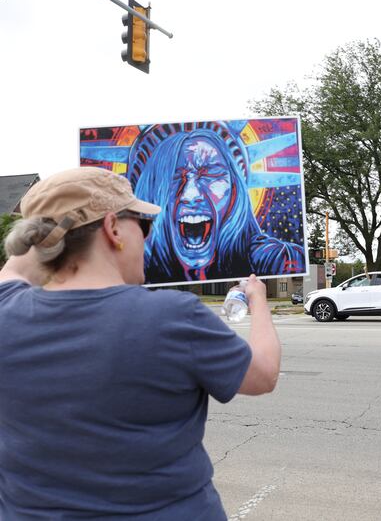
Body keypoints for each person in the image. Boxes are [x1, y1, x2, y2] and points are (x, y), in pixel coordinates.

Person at [0, 167, 281, 519]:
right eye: (143, 225)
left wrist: (52, 229)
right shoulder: (172, 316)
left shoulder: (5, 310)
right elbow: (263, 374)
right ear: (112, 228)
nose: (148, 239)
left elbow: (14, 269)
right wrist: (257, 301)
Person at [130, 124, 305, 283]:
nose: (191, 195)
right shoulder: (132, 266)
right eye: (174, 178)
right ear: (152, 192)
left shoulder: (277, 258)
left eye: (210, 175)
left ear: (235, 189)